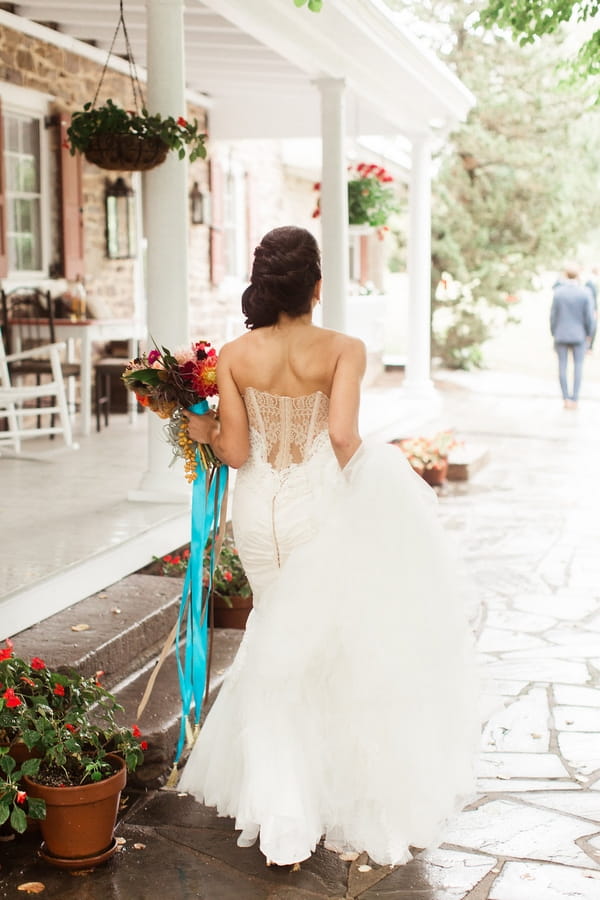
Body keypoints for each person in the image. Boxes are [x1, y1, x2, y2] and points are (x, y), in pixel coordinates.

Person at [178, 226, 479, 868]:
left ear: (265, 286)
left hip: (259, 515)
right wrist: (381, 496)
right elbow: (342, 436)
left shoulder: (234, 354)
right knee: (321, 649)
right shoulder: (344, 348)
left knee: (272, 641)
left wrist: (200, 429)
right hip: (318, 508)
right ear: (316, 286)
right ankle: (316, 797)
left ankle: (282, 807)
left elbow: (233, 451)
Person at [550, 265, 595, 409]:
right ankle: (574, 398)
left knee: (562, 367)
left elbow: (553, 316)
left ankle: (565, 398)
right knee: (578, 367)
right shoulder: (585, 292)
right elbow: (589, 317)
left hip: (561, 334)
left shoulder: (559, 292)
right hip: (579, 335)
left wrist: (554, 333)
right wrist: (589, 334)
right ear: (578, 276)